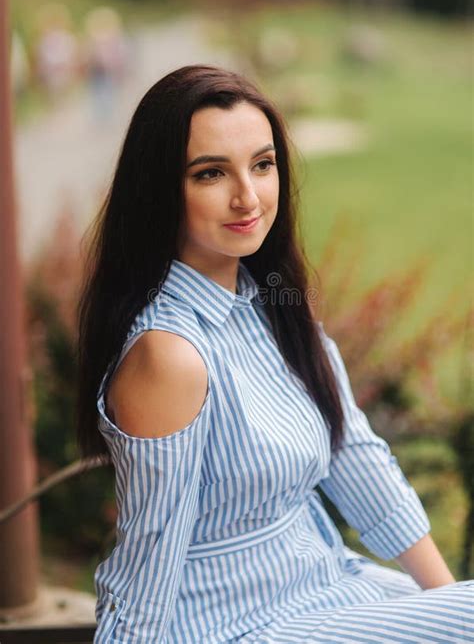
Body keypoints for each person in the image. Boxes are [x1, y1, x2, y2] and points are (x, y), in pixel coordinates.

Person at [76, 65, 473, 643]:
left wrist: (444, 603)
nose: (247, 196)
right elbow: (148, 563)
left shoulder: (277, 306)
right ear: (159, 189)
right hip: (236, 627)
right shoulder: (170, 356)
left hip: (327, 588)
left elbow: (357, 460)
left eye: (262, 165)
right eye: (210, 173)